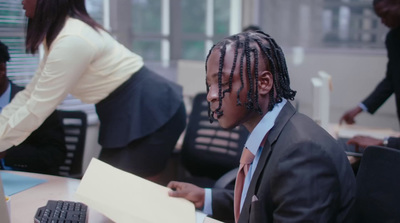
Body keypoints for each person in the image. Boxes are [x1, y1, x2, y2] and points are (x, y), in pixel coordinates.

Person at [167, 31, 356, 223]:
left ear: (263, 83)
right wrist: (206, 197)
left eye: (222, 83)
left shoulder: (303, 152)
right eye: (210, 85)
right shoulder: (275, 132)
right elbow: (263, 200)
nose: (211, 96)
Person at [0, 0, 186, 183]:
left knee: (127, 193)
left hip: (151, 108)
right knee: (103, 189)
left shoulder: (73, 39)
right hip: (122, 109)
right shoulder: (60, 35)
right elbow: (28, 94)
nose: (21, 2)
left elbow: (37, 107)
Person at [340, 0, 400, 152]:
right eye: (379, 16)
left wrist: (386, 142)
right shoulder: (393, 38)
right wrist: (360, 108)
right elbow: (391, 79)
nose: (382, 21)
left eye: (385, 14)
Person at [0, 40, 66, 175]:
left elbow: (55, 155)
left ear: (2, 70)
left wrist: (6, 151)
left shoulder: (38, 103)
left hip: (30, 182)